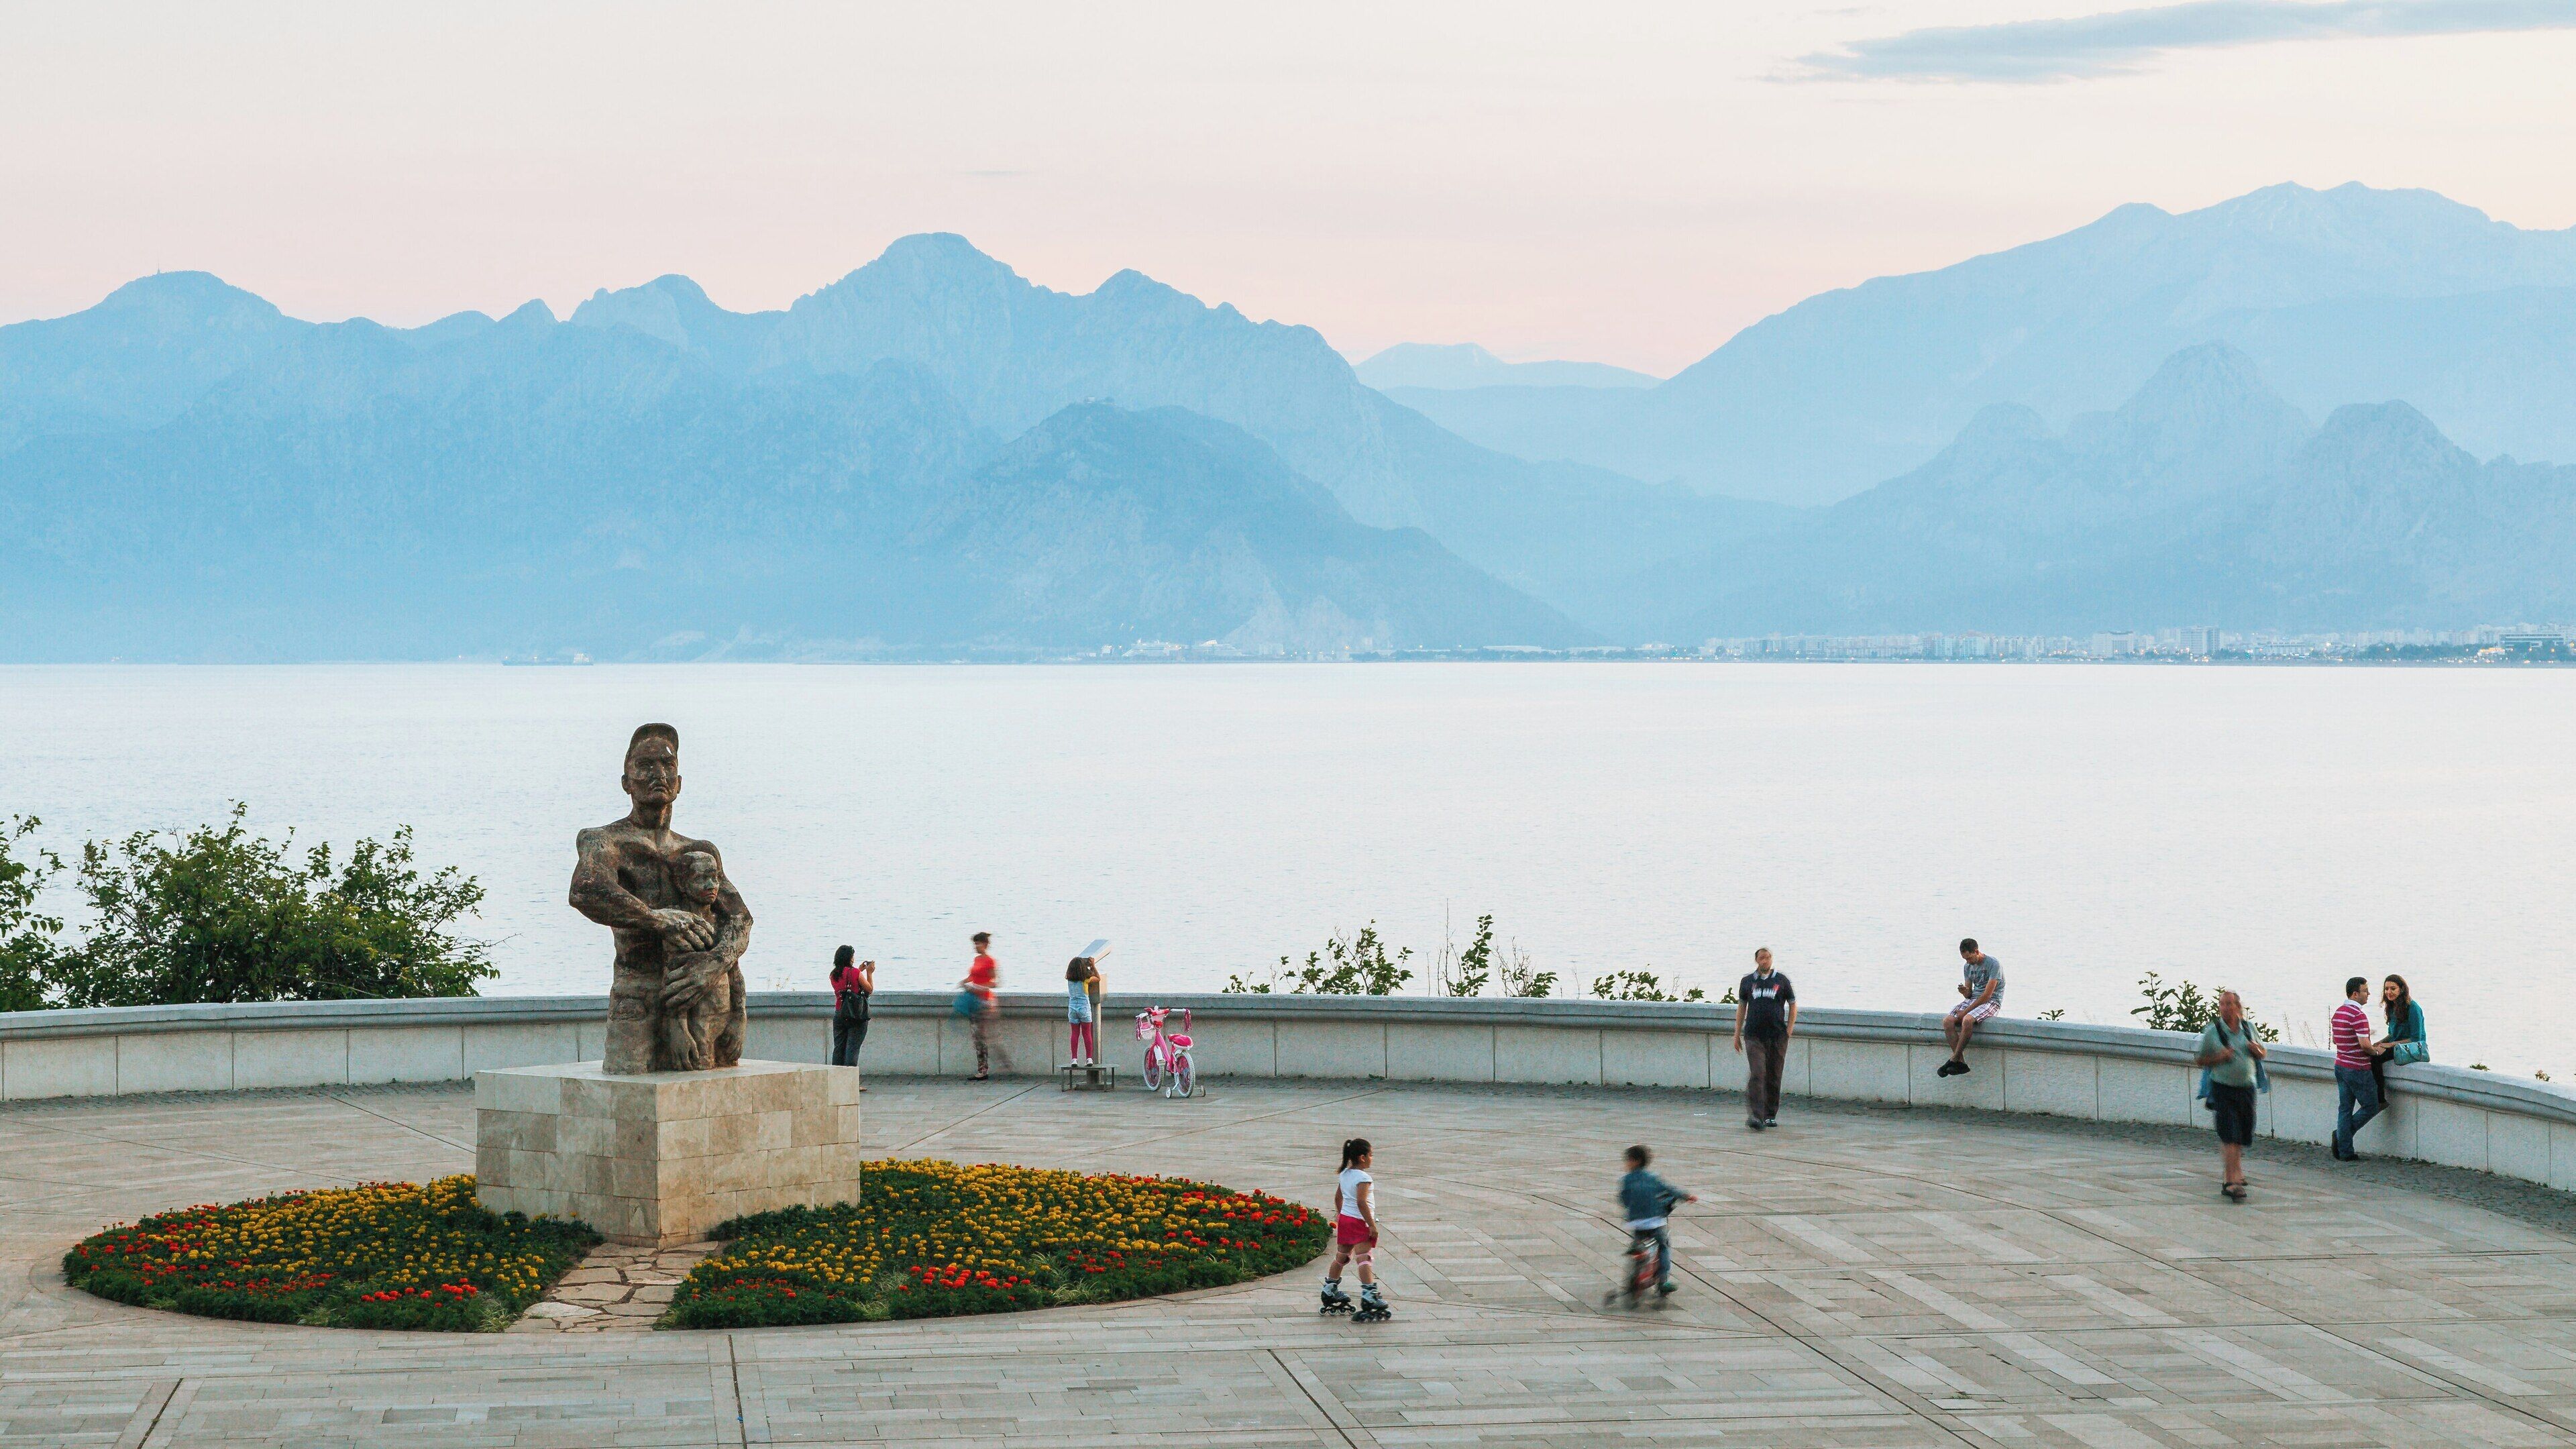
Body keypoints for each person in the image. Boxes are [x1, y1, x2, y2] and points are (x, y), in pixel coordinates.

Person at [2196, 989, 2266, 1199]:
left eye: (2229, 1004)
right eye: (2222, 1004)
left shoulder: (2249, 1028)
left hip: (2246, 1088)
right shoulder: (2213, 1032)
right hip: (2223, 1088)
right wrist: (2220, 1057)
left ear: (2238, 1007)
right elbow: (2200, 1060)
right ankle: (2231, 1181)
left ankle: (2237, 1172)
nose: (2225, 1008)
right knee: (2230, 1133)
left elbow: (2263, 1053)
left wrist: (2256, 1050)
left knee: (2243, 1132)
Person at [1320, 1138, 1390, 1321]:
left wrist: (1340, 1214)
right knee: (1364, 1258)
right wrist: (1372, 1225)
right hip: (1359, 1221)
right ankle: (1369, 1295)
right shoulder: (1364, 1178)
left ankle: (1330, 1290)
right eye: (1371, 1155)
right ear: (1362, 1157)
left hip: (1346, 1219)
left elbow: (1338, 1197)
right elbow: (1361, 1202)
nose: (1372, 1158)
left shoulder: (1345, 1174)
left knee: (1342, 1256)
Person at [1617, 1144, 1698, 1293]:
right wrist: (1687, 1196)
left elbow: (1623, 1199)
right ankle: (1663, 1281)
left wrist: (1631, 1206)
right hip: (1655, 1221)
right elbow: (1670, 1189)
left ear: (1635, 1161)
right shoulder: (1653, 1178)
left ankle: (1637, 1247)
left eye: (1627, 1160)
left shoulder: (1626, 1179)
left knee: (1639, 1240)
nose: (1626, 1164)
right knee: (1663, 1246)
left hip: (1635, 1221)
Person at [1732, 947, 1796, 1130]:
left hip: (1777, 1035)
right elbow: (1742, 1007)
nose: (1765, 961)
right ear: (1756, 960)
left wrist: (1789, 1030)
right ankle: (1756, 1116)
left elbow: (1793, 1005)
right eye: (1762, 958)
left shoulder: (1781, 981)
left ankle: (1770, 1115)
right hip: (1754, 1035)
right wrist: (1737, 1033)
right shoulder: (1747, 982)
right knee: (1758, 1073)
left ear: (1771, 959)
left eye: (1768, 958)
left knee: (1774, 1075)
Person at [2329, 976, 2382, 1160]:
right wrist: (2376, 1052)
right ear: (2355, 994)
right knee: (2371, 1106)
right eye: (2365, 991)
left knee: (2345, 1108)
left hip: (2340, 1065)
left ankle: (2345, 1150)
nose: (2369, 994)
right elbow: (2365, 1045)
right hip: (2358, 1068)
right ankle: (2342, 1138)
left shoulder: (2339, 1012)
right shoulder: (2359, 1016)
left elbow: (2336, 1040)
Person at [1937, 938, 2002, 1076]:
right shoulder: (1967, 967)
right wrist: (1964, 991)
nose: (1968, 962)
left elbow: (1987, 996)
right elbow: (1969, 994)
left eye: (1969, 958)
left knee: (1967, 1020)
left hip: (1991, 1001)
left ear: (1976, 951)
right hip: (1974, 999)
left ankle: (1954, 1059)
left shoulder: (1993, 964)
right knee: (1947, 1021)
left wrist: (1965, 1012)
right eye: (1965, 959)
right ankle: (1960, 1063)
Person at [964, 931, 1011, 1080]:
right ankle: (984, 1068)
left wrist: (977, 988)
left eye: (978, 943)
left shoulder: (990, 961)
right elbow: (973, 977)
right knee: (978, 1037)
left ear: (985, 944)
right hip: (974, 1001)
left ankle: (987, 1069)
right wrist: (964, 983)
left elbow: (995, 982)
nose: (976, 947)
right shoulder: (977, 960)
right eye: (975, 944)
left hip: (985, 1002)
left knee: (983, 1036)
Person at [829, 945, 873, 1069]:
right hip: (856, 1014)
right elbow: (869, 990)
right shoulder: (855, 973)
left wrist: (859, 970)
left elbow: (846, 982)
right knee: (852, 1049)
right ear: (850, 958)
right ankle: (850, 1083)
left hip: (840, 1013)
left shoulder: (833, 974)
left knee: (839, 1048)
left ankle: (836, 1080)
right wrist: (869, 973)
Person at [1065, 953, 1103, 1066]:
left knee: (1075, 1034)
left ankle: (1074, 1059)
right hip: (1084, 1008)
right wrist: (1093, 966)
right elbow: (1098, 978)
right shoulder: (1086, 980)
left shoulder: (1069, 980)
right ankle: (1089, 1059)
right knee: (1087, 1034)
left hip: (1072, 1008)